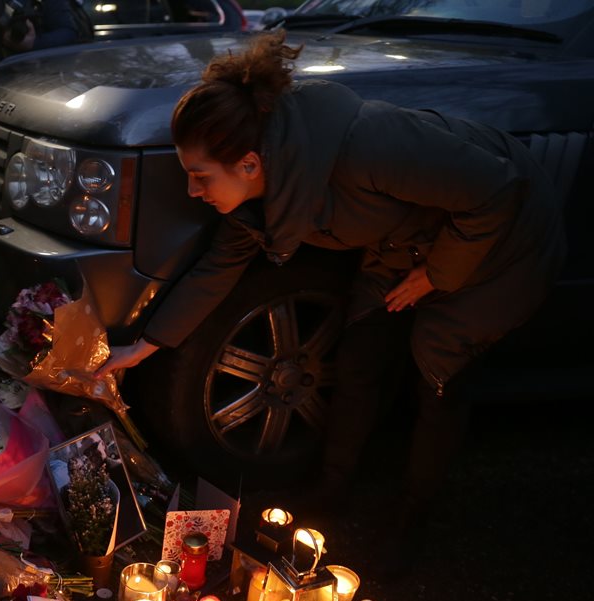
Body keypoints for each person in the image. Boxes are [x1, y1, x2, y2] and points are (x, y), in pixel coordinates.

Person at [96, 33, 564, 562]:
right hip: (404, 245)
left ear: (249, 164)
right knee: (361, 346)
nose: (192, 192)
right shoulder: (259, 195)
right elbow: (216, 271)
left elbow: (497, 191)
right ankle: (332, 489)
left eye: (200, 176)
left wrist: (436, 276)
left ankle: (413, 515)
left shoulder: (368, 145)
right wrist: (144, 347)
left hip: (502, 241)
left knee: (437, 365)